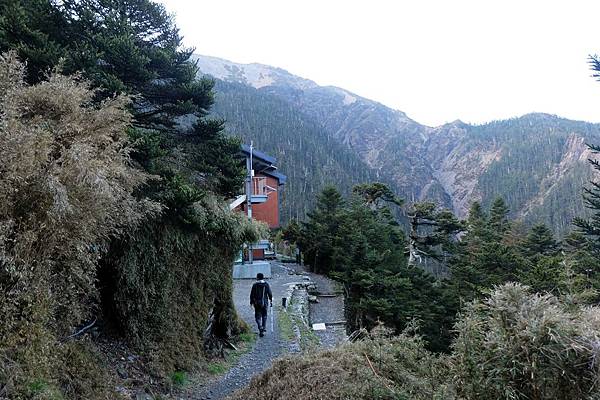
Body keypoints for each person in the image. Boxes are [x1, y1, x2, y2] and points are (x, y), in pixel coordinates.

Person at [250, 273, 272, 337]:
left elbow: (252, 294)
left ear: (257, 277)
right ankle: (264, 327)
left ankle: (260, 327)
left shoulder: (255, 285)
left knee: (257, 316)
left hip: (257, 303)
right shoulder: (266, 284)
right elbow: (269, 293)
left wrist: (251, 302)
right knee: (264, 315)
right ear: (263, 277)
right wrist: (271, 300)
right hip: (264, 302)